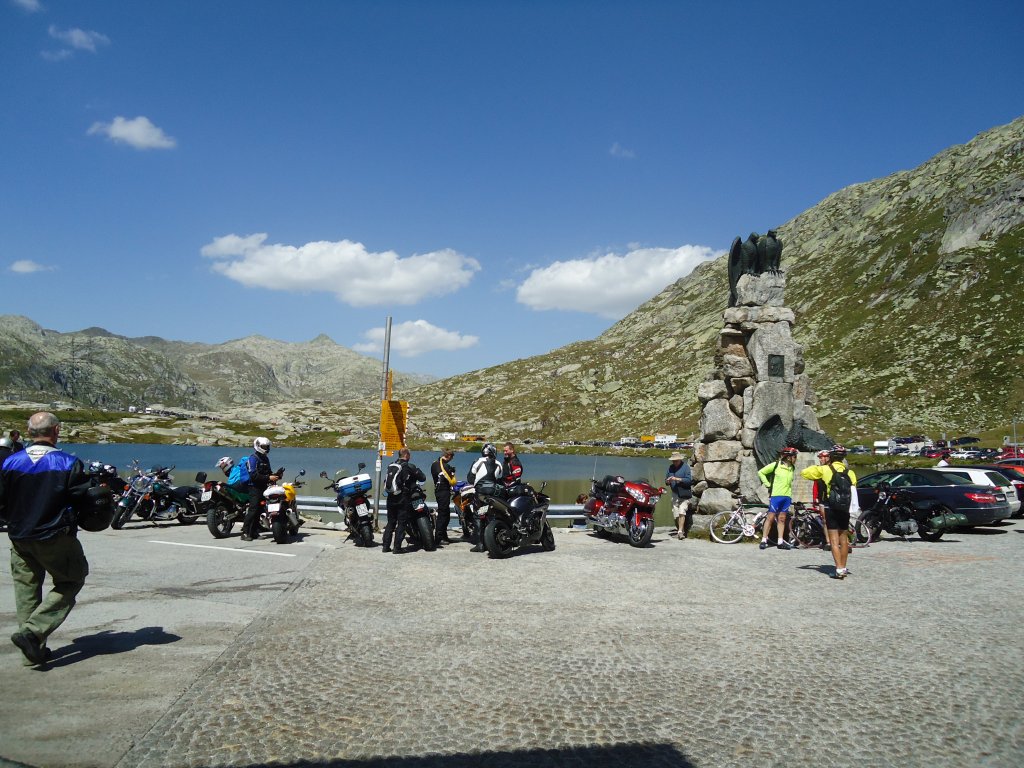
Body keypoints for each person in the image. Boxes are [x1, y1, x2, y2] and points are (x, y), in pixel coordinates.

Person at [0, 412, 90, 667]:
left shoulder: (10, 462)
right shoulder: (67, 462)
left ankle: (31, 653)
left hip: (19, 535)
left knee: (26, 591)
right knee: (72, 578)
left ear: (28, 433)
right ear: (57, 430)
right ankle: (33, 632)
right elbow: (82, 499)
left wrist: (12, 519)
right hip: (54, 535)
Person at [801, 444, 858, 579]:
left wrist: (820, 467)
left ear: (831, 456)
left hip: (830, 507)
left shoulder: (825, 470)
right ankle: (843, 567)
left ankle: (838, 569)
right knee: (843, 539)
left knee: (833, 540)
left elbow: (805, 473)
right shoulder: (850, 473)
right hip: (845, 508)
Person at [383, 448, 426, 554]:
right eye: (409, 455)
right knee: (401, 523)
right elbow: (422, 478)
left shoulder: (391, 465)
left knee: (391, 523)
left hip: (391, 497)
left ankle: (385, 547)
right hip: (402, 498)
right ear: (406, 455)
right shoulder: (408, 466)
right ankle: (397, 548)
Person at [757, 446, 798, 550]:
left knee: (782, 519)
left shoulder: (792, 468)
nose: (796, 458)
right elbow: (761, 472)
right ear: (788, 457)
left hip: (787, 496)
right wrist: (768, 484)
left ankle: (780, 541)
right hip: (776, 495)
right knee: (770, 517)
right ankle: (764, 540)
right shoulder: (776, 465)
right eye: (794, 456)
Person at [240, 437, 278, 542]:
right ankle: (245, 532)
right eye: (264, 447)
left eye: (267, 446)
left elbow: (269, 472)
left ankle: (254, 532)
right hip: (254, 487)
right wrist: (268, 478)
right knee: (253, 510)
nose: (266, 448)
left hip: (263, 487)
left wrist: (275, 475)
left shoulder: (265, 458)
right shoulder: (253, 458)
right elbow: (253, 475)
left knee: (260, 510)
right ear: (257, 446)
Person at [467, 443, 503, 552]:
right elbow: (500, 478)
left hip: (481, 493)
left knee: (479, 516)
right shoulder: (499, 464)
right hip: (493, 492)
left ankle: (480, 544)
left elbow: (470, 478)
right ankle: (491, 540)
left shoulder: (478, 461)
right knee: (491, 515)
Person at [430, 449, 457, 545]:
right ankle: (439, 537)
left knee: (446, 514)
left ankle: (444, 536)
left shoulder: (434, 464)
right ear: (449, 456)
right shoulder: (445, 466)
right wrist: (452, 472)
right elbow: (451, 480)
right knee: (443, 515)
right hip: (443, 491)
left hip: (439, 491)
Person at [665, 452, 692, 538]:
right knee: (675, 513)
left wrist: (677, 479)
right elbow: (666, 480)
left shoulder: (686, 468)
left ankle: (680, 532)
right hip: (675, 494)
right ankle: (681, 530)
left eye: (676, 461)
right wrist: (668, 481)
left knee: (682, 511)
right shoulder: (670, 468)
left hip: (684, 494)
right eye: (673, 461)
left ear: (680, 459)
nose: (674, 462)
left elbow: (689, 481)